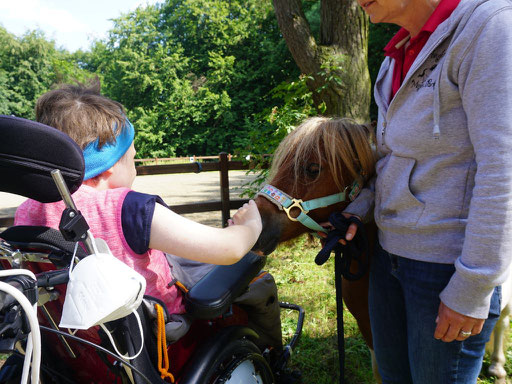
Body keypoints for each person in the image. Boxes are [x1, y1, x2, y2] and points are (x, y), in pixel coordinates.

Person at [338, 0, 512, 382]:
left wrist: (472, 287)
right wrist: (361, 207)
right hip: (388, 259)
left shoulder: (489, 28)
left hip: (445, 269)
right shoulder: (394, 57)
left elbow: (503, 169)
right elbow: (388, 157)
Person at [14, 80, 262, 319]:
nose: (135, 169)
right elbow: (228, 249)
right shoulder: (127, 207)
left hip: (76, 347)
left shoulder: (27, 211)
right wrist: (250, 225)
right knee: (261, 284)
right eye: (132, 158)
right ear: (109, 165)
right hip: (160, 344)